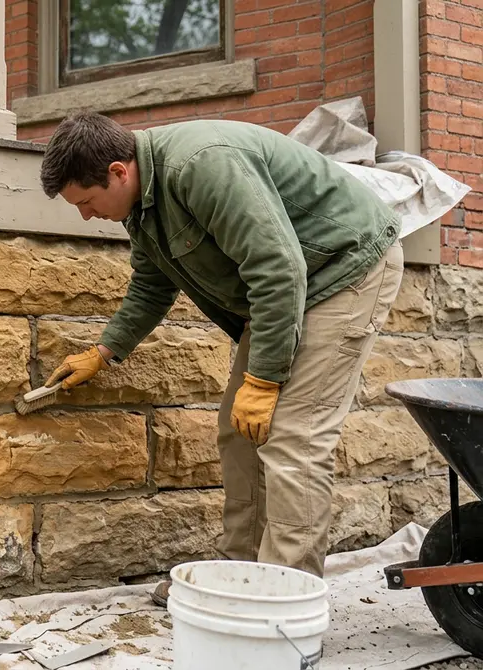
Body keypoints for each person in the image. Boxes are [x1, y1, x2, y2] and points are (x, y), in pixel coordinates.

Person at [38, 112, 404, 606]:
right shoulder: (141, 207)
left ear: (119, 172)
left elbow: (277, 267)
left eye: (86, 201)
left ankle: (282, 599)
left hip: (344, 270)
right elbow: (152, 284)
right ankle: (241, 576)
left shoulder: (200, 164)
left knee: (293, 436)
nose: (85, 214)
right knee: (241, 431)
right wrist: (103, 353)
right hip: (283, 291)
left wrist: (265, 381)